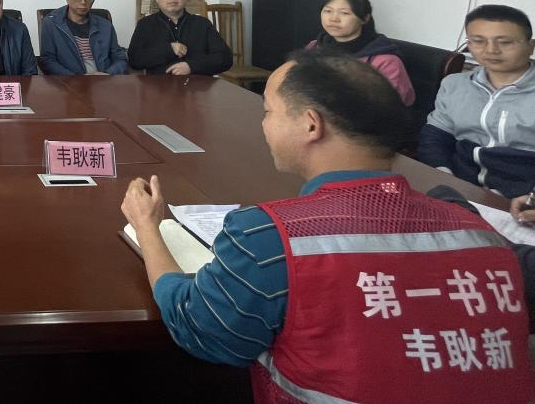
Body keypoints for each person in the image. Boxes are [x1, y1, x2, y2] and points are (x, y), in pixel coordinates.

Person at [122, 51, 532, 402]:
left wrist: (147, 227)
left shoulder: (267, 236)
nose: (263, 125)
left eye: (268, 112)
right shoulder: (482, 233)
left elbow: (200, 327)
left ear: (310, 125)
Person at [419, 4, 535, 197]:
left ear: (530, 46)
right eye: (478, 41)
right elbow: (436, 137)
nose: (491, 50)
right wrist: (443, 175)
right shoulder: (455, 84)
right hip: (461, 187)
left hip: (522, 196)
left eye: (505, 42)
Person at [304, 0, 413, 105]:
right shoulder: (314, 46)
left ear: (364, 18)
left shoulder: (385, 61)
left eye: (344, 13)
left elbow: (395, 103)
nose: (333, 19)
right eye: (328, 11)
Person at [127, 0, 231, 76]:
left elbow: (225, 58)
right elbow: (134, 60)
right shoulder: (145, 24)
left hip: (198, 85)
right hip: (158, 85)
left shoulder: (202, 24)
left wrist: (192, 66)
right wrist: (169, 50)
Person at [39, 0, 129, 76]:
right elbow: (47, 61)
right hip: (69, 81)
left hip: (103, 80)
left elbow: (120, 59)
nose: (83, 2)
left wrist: (107, 74)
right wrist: (76, 79)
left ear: (93, 1)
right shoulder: (52, 23)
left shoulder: (105, 25)